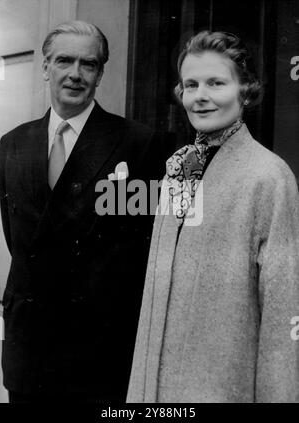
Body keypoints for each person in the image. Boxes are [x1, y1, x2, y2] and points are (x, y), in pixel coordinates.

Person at [0, 20, 169, 403]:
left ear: (100, 73)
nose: (75, 74)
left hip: (98, 352)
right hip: (28, 349)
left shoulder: (139, 145)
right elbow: (19, 240)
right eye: (64, 61)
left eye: (88, 65)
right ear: (45, 67)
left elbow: (140, 248)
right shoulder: (11, 145)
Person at [127, 30, 299, 403]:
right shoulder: (179, 169)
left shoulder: (268, 176)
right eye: (191, 85)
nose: (200, 96)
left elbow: (282, 308)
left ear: (246, 90)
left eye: (216, 83)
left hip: (225, 385)